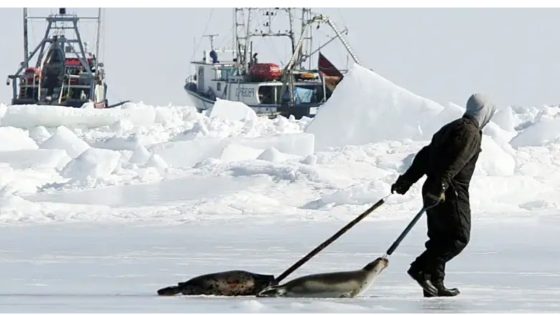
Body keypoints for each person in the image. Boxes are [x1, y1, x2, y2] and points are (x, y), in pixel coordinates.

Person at [391, 93, 496, 298]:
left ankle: (435, 282)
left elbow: (425, 155)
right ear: (485, 112)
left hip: (435, 188)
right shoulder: (470, 132)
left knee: (440, 237)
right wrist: (441, 186)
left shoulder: (452, 127)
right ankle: (421, 269)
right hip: (450, 191)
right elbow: (455, 161)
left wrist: (407, 180)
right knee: (458, 237)